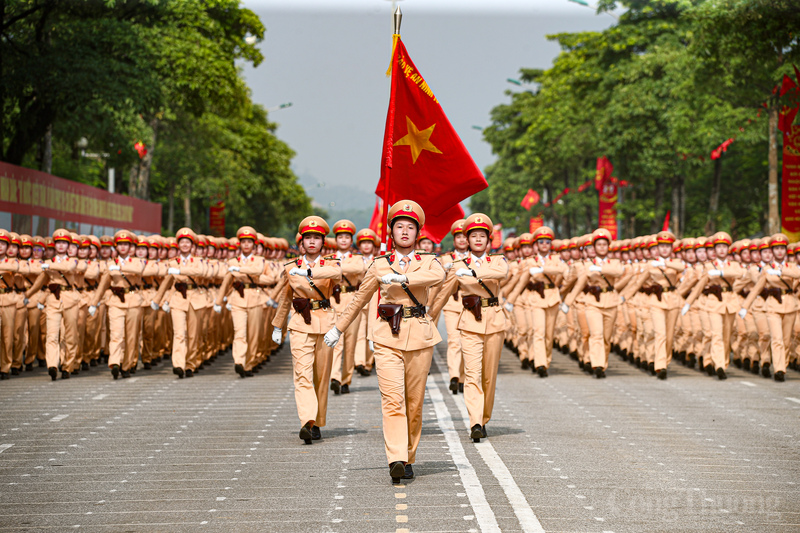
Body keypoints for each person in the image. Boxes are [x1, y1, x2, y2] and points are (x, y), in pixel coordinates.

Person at [324, 200, 445, 483]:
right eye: (399, 226)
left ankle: (409, 455)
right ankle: (397, 458)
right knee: (393, 400)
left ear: (418, 233)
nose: (405, 231)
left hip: (419, 335)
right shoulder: (379, 264)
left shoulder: (428, 260)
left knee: (413, 403)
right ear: (391, 231)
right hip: (387, 336)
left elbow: (438, 276)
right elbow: (359, 299)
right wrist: (339, 328)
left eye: (410, 227)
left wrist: (403, 276)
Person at [429, 213, 508, 442]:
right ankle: (474, 421)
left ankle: (483, 417)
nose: (478, 240)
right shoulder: (457, 266)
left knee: (488, 376)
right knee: (472, 374)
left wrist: (474, 272)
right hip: (470, 322)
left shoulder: (497, 261)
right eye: (473, 236)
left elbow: (501, 273)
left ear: (488, 239)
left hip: (493, 321)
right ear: (467, 239)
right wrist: (428, 317)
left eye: (482, 236)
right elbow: (443, 294)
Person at [272, 216, 342, 445]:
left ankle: (318, 420)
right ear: (301, 242)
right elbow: (285, 298)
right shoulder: (291, 268)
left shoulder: (331, 265)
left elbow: (336, 276)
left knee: (321, 377)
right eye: (308, 238)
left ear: (323, 242)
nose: (312, 242)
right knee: (302, 374)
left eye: (317, 238)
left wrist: (310, 274)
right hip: (300, 323)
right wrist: (277, 325)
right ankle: (307, 421)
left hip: (325, 322)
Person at [563, 229, 628, 378]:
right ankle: (597, 365)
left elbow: (618, 272)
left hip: (610, 301)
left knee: (606, 338)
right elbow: (579, 284)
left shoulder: (614, 263)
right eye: (598, 244)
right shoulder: (585, 265)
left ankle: (602, 363)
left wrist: (600, 268)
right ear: (594, 246)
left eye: (604, 244)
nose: (602, 247)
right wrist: (568, 301)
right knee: (595, 334)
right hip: (592, 302)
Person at [504, 226, 567, 377]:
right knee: (538, 332)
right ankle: (540, 364)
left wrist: (543, 270)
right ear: (536, 245)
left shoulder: (556, 259)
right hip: (535, 299)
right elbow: (520, 282)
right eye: (541, 242)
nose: (544, 244)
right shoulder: (530, 262)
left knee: (549, 334)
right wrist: (510, 299)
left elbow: (563, 271)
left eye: (547, 242)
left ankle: (546, 359)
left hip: (552, 298)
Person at [740, 233, 799, 382]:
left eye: (782, 248)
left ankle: (783, 365)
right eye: (776, 248)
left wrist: (780, 272)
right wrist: (745, 306)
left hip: (790, 305)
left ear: (786, 251)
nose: (779, 251)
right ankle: (779, 369)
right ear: (772, 251)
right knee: (777, 339)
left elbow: (797, 274)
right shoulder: (766, 269)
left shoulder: (791, 267)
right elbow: (757, 288)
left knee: (786, 341)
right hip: (772, 305)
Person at [328, 219, 367, 395]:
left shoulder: (358, 258)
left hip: (352, 300)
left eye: (346, 237)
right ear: (335, 240)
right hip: (333, 301)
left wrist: (335, 267)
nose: (343, 240)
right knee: (336, 343)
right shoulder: (327, 258)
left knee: (350, 343)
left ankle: (346, 379)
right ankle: (335, 377)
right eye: (340, 237)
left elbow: (357, 268)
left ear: (351, 241)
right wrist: (341, 268)